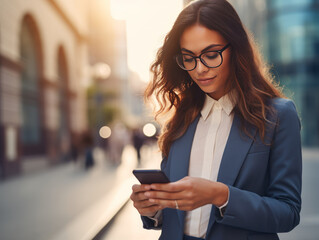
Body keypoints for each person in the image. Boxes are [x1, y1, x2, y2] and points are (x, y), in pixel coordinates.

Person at [130, 0, 302, 240]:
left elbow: (288, 212)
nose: (199, 68)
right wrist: (152, 209)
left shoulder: (279, 115)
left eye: (211, 55)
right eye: (188, 58)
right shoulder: (179, 119)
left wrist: (221, 195)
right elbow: (172, 213)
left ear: (237, 49)